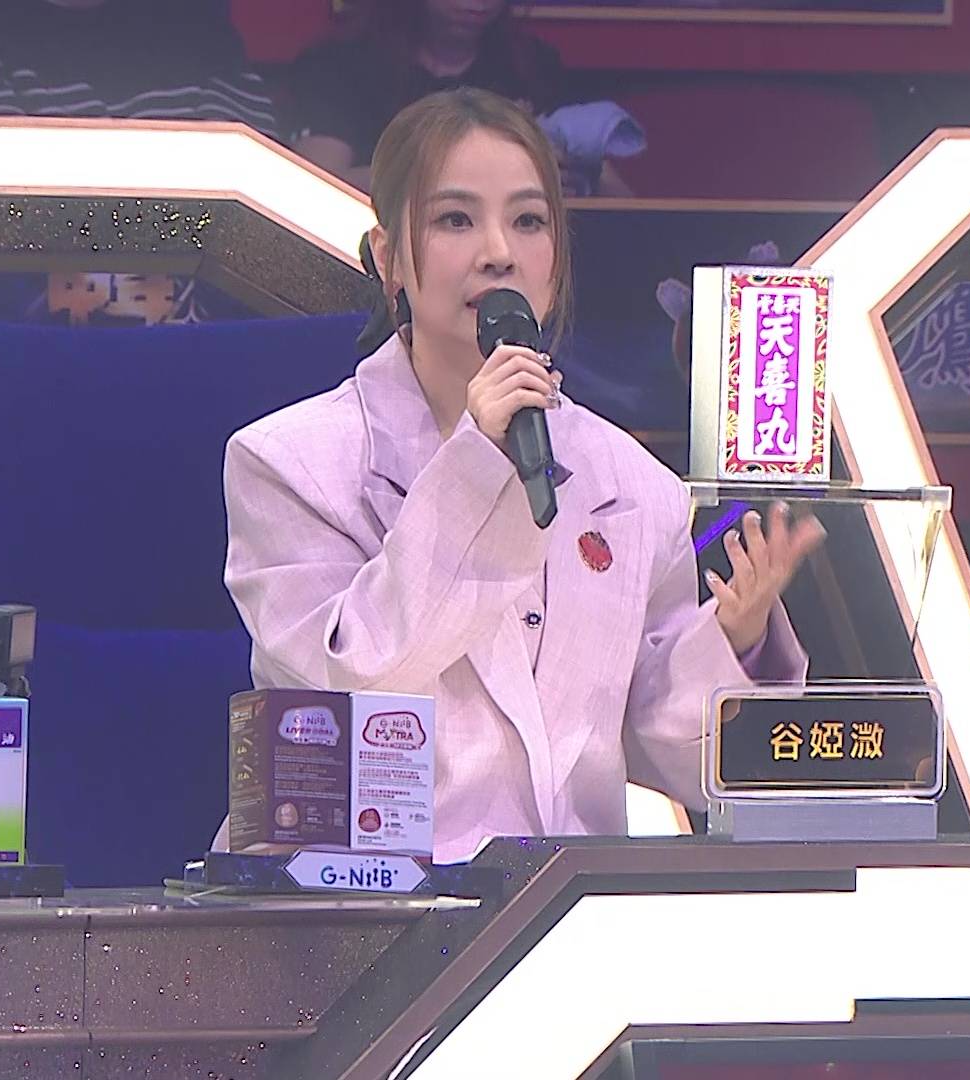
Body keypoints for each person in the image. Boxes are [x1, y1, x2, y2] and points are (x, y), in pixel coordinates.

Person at [221, 87, 820, 863]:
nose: (498, 251)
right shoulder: (289, 462)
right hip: (354, 902)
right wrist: (478, 462)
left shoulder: (633, 483)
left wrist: (732, 639)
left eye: (529, 221)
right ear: (388, 259)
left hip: (571, 908)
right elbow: (344, 685)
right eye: (455, 219)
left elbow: (666, 750)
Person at [290, 0, 631, 194]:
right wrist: (482, 167)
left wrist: (576, 179)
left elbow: (622, 203)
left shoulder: (533, 64)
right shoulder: (339, 63)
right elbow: (314, 189)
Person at [0, 0, 282, 139]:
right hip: (25, 286)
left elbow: (251, 188)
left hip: (196, 287)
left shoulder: (194, 19)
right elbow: (3, 184)